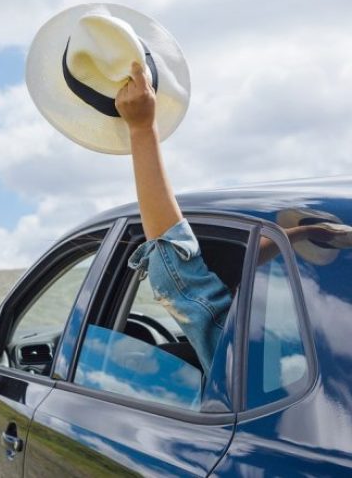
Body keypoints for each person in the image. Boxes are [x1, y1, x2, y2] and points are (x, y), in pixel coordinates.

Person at [114, 62, 343, 373]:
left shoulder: (250, 360)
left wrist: (141, 130)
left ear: (233, 291)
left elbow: (177, 273)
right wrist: (298, 234)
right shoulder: (321, 345)